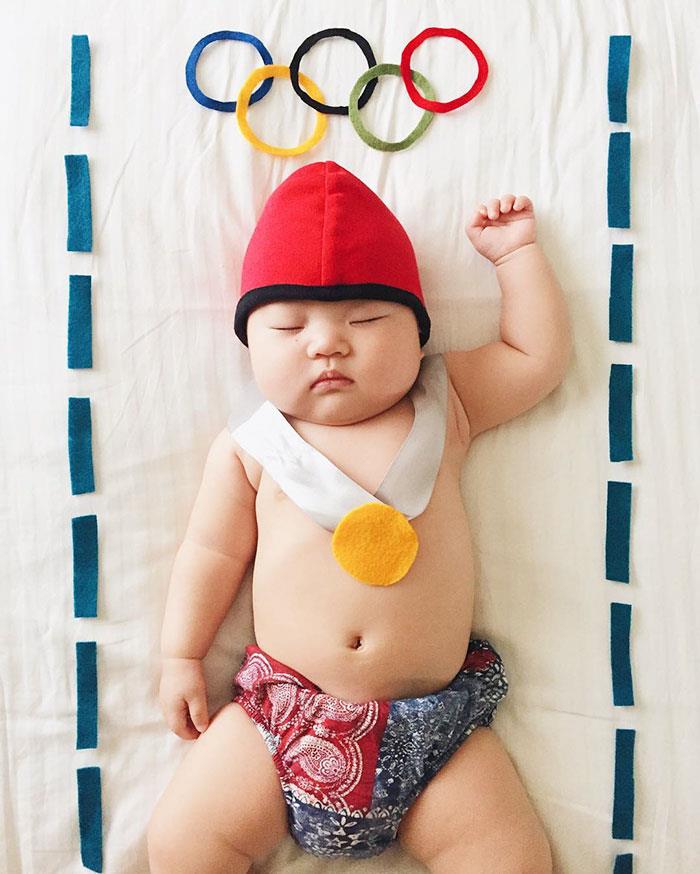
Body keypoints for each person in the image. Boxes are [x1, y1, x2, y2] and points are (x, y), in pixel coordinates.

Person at [147, 161, 571, 873]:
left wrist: (515, 257)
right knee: (183, 843)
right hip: (281, 720)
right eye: (289, 326)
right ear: (251, 346)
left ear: (418, 336)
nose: (327, 344)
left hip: (431, 729)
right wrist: (181, 655)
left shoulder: (448, 402)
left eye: (367, 320)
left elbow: (535, 358)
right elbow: (211, 553)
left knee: (509, 857)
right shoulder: (252, 445)